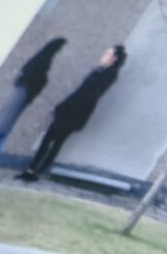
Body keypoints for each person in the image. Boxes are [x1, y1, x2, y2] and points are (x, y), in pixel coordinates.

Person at [18, 44, 126, 182]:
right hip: (70, 110)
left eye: (107, 54)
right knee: (49, 140)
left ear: (114, 58)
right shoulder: (100, 71)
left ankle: (35, 172)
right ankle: (32, 170)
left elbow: (90, 96)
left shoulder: (109, 75)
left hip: (75, 113)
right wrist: (61, 106)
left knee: (55, 142)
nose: (103, 56)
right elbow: (79, 91)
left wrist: (65, 108)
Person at [0, 36, 65, 177]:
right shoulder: (43, 65)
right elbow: (37, 81)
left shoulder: (38, 61)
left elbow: (24, 75)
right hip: (22, 99)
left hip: (19, 97)